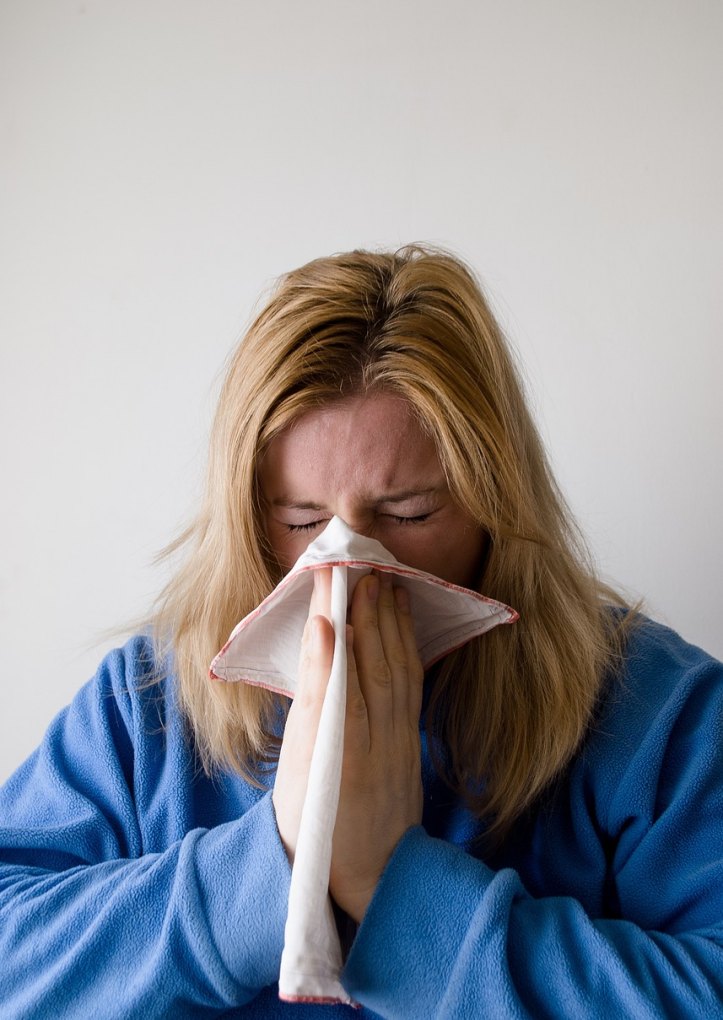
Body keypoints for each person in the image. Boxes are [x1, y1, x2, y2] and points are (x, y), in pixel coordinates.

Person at [1, 246, 721, 1019]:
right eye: (301, 520)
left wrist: (393, 891)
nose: (345, 562)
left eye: (409, 514)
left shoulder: (656, 711)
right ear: (248, 516)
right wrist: (275, 862)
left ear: (494, 505)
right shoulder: (149, 703)